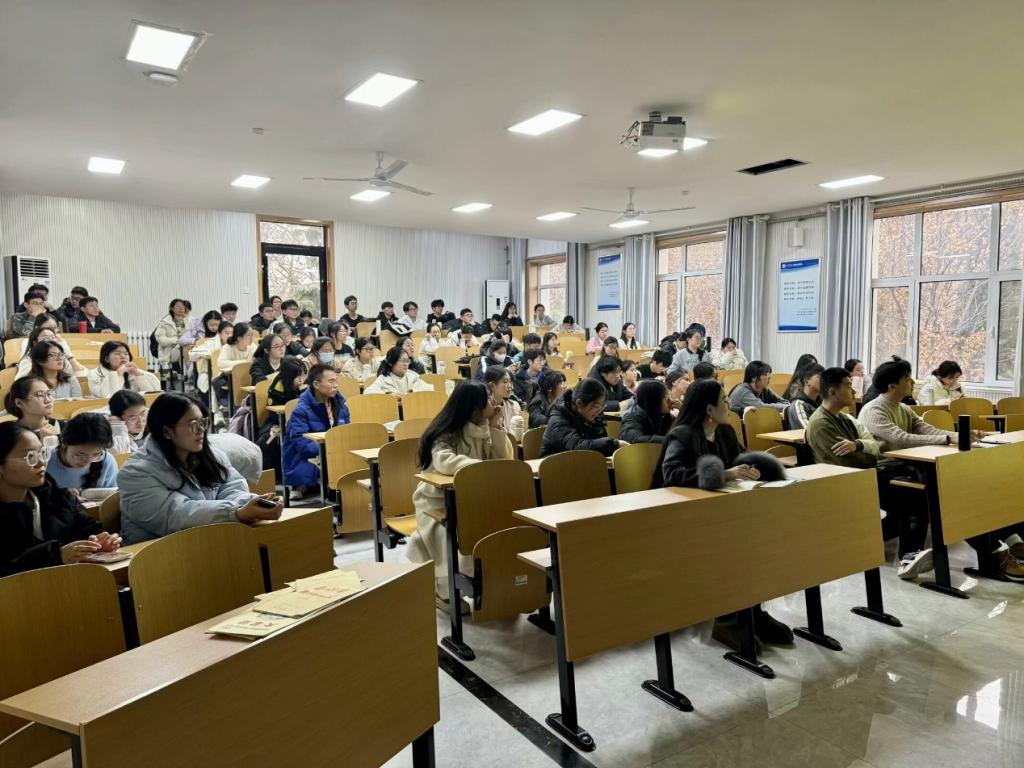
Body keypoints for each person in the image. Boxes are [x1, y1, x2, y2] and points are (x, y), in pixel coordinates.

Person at [651, 379, 791, 650]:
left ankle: (753, 612)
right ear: (708, 409)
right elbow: (673, 475)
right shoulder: (682, 434)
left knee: (755, 540)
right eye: (724, 401)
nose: (729, 405)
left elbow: (742, 457)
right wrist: (724, 474)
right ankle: (727, 620)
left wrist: (752, 469)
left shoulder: (724, 431)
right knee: (732, 545)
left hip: (721, 511)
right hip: (683, 517)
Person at [806, 367, 944, 579]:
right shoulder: (820, 424)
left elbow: (873, 446)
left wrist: (860, 447)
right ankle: (908, 557)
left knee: (917, 494)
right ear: (833, 392)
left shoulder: (844, 418)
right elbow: (851, 461)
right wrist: (867, 451)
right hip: (847, 481)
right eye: (848, 386)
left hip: (865, 474)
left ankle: (866, 541)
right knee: (913, 497)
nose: (854, 391)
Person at [118, 393, 283, 543]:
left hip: (203, 542)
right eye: (193, 424)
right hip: (154, 554)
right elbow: (176, 515)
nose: (201, 430)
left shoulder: (209, 455)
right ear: (166, 431)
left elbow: (232, 487)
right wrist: (236, 512)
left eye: (203, 422)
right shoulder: (135, 473)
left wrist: (250, 504)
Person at [408, 381, 511, 610]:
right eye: (488, 400)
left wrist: (496, 427)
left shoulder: (484, 426)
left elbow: (504, 460)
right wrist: (479, 468)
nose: (493, 403)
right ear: (474, 407)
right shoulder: (446, 432)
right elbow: (444, 461)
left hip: (474, 500)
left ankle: (493, 586)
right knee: (458, 535)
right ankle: (444, 592)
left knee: (501, 528)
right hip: (437, 505)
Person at [0, 423, 121, 576]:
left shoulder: (50, 491)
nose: (41, 462)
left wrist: (97, 541)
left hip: (68, 580)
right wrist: (56, 555)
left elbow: (85, 526)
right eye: (30, 457)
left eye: (42, 453)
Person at [284, 364, 350, 496]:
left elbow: (347, 433)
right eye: (331, 381)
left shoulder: (341, 406)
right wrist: (329, 451)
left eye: (336, 381)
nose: (335, 385)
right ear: (316, 384)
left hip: (334, 453)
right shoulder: (301, 410)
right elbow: (302, 443)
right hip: (311, 456)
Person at [540, 378, 623, 457]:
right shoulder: (558, 420)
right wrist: (614, 444)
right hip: (555, 464)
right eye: (596, 406)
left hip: (582, 463)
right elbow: (577, 446)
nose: (599, 410)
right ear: (579, 403)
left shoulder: (591, 415)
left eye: (602, 406)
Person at [46, 413, 118, 491]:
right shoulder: (45, 460)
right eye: (79, 455)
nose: (88, 461)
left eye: (96, 455)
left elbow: (114, 496)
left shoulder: (106, 461)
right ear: (64, 443)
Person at [87, 340, 160, 397]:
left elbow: (154, 394)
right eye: (118, 353)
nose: (123, 356)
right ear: (107, 359)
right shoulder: (94, 374)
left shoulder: (134, 371)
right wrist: (118, 373)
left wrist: (139, 375)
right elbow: (104, 396)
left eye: (126, 354)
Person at [16, 318, 86, 377]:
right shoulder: (28, 361)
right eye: (46, 337)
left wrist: (69, 355)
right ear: (35, 343)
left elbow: (83, 376)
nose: (51, 340)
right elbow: (22, 383)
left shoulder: (61, 359)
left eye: (53, 337)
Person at [4, 376, 60, 441]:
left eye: (49, 394)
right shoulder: (10, 434)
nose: (48, 400)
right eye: (40, 395)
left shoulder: (61, 426)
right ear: (19, 403)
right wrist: (44, 442)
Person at [364, 347, 434, 397]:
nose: (406, 364)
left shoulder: (412, 376)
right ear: (391, 363)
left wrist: (412, 391)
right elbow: (367, 392)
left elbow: (430, 388)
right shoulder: (384, 378)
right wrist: (388, 395)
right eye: (403, 361)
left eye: (407, 361)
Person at [620, 380, 673, 444]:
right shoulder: (632, 416)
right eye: (666, 397)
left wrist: (681, 411)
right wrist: (669, 440)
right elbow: (634, 439)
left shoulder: (662, 414)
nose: (670, 400)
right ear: (654, 400)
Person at [482, 365, 522, 434]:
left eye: (510, 381)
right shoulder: (484, 409)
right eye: (505, 382)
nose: (510, 386)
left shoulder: (514, 406)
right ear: (492, 386)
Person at [784, 363, 824, 430]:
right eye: (820, 377)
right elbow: (808, 431)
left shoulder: (824, 402)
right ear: (806, 381)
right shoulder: (798, 405)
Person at [108, 389, 148, 454]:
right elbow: (122, 456)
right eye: (133, 418)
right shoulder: (113, 435)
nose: (140, 422)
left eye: (143, 414)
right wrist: (117, 426)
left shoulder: (153, 423)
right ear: (119, 418)